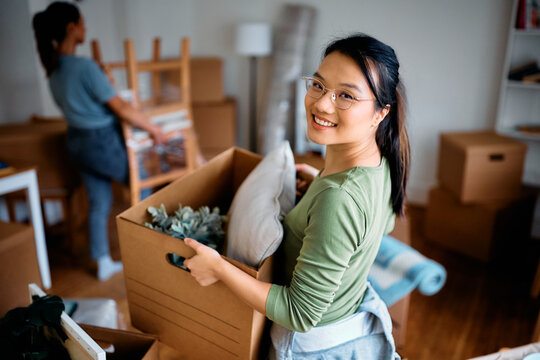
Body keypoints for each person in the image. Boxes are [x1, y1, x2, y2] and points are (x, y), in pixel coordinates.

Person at [184, 32, 409, 359]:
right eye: (318, 84)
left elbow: (300, 314)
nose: (320, 103)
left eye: (346, 95)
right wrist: (318, 185)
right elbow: (379, 224)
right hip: (350, 314)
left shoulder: (338, 198)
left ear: (380, 113)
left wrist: (218, 269)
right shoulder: (383, 162)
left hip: (309, 347)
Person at [32, 2, 168, 281]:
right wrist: (155, 129)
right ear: (71, 28)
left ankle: (103, 262)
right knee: (143, 187)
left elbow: (90, 105)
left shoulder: (54, 72)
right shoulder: (84, 67)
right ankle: (147, 255)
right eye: (82, 23)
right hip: (102, 142)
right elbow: (121, 108)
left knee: (99, 201)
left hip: (77, 144)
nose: (86, 28)